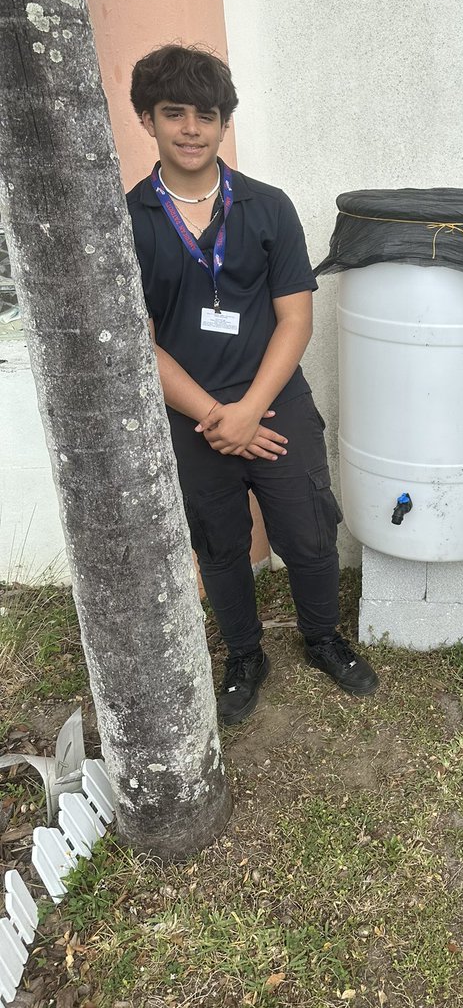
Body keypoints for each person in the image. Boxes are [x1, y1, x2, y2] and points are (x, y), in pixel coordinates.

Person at [127, 43, 378, 723]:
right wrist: (218, 416)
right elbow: (138, 344)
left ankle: (323, 638)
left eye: (205, 115)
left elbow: (296, 319)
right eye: (172, 113)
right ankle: (244, 653)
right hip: (191, 415)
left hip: (276, 402)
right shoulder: (128, 222)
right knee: (219, 541)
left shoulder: (267, 208)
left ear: (223, 123)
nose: (189, 129)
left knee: (307, 530)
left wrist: (251, 412)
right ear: (146, 119)